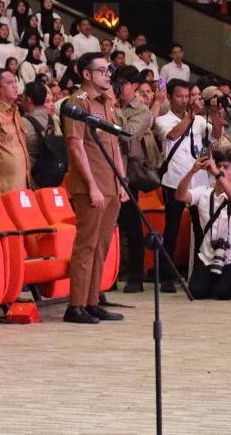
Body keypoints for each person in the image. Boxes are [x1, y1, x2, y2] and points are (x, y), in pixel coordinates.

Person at [61, 52, 125, 324]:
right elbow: (76, 146)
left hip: (111, 184)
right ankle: (75, 305)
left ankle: (92, 300)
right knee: (86, 246)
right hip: (92, 186)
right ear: (86, 74)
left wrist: (122, 180)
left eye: (109, 70)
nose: (108, 74)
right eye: (102, 70)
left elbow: (115, 146)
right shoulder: (78, 103)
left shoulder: (108, 103)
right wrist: (92, 186)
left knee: (102, 245)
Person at [154, 79, 210, 293]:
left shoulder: (199, 120)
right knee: (172, 229)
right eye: (180, 96)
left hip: (199, 182)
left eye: (188, 96)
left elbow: (214, 136)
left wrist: (215, 112)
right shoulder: (163, 119)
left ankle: (199, 274)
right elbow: (173, 134)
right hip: (174, 180)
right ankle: (167, 277)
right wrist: (191, 115)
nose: (185, 100)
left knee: (201, 227)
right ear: (169, 97)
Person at [177, 154, 231, 300]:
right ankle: (216, 282)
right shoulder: (203, 192)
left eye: (226, 167)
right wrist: (192, 171)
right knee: (196, 291)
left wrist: (217, 172)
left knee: (223, 293)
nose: (221, 169)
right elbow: (180, 196)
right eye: (219, 166)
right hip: (208, 256)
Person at [116, 68, 158, 292]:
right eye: (117, 83)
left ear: (133, 86)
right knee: (110, 228)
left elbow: (127, 133)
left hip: (127, 173)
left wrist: (112, 111)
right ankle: (110, 275)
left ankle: (135, 276)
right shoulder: (108, 104)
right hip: (106, 171)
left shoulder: (141, 111)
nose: (119, 88)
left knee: (131, 225)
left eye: (123, 84)